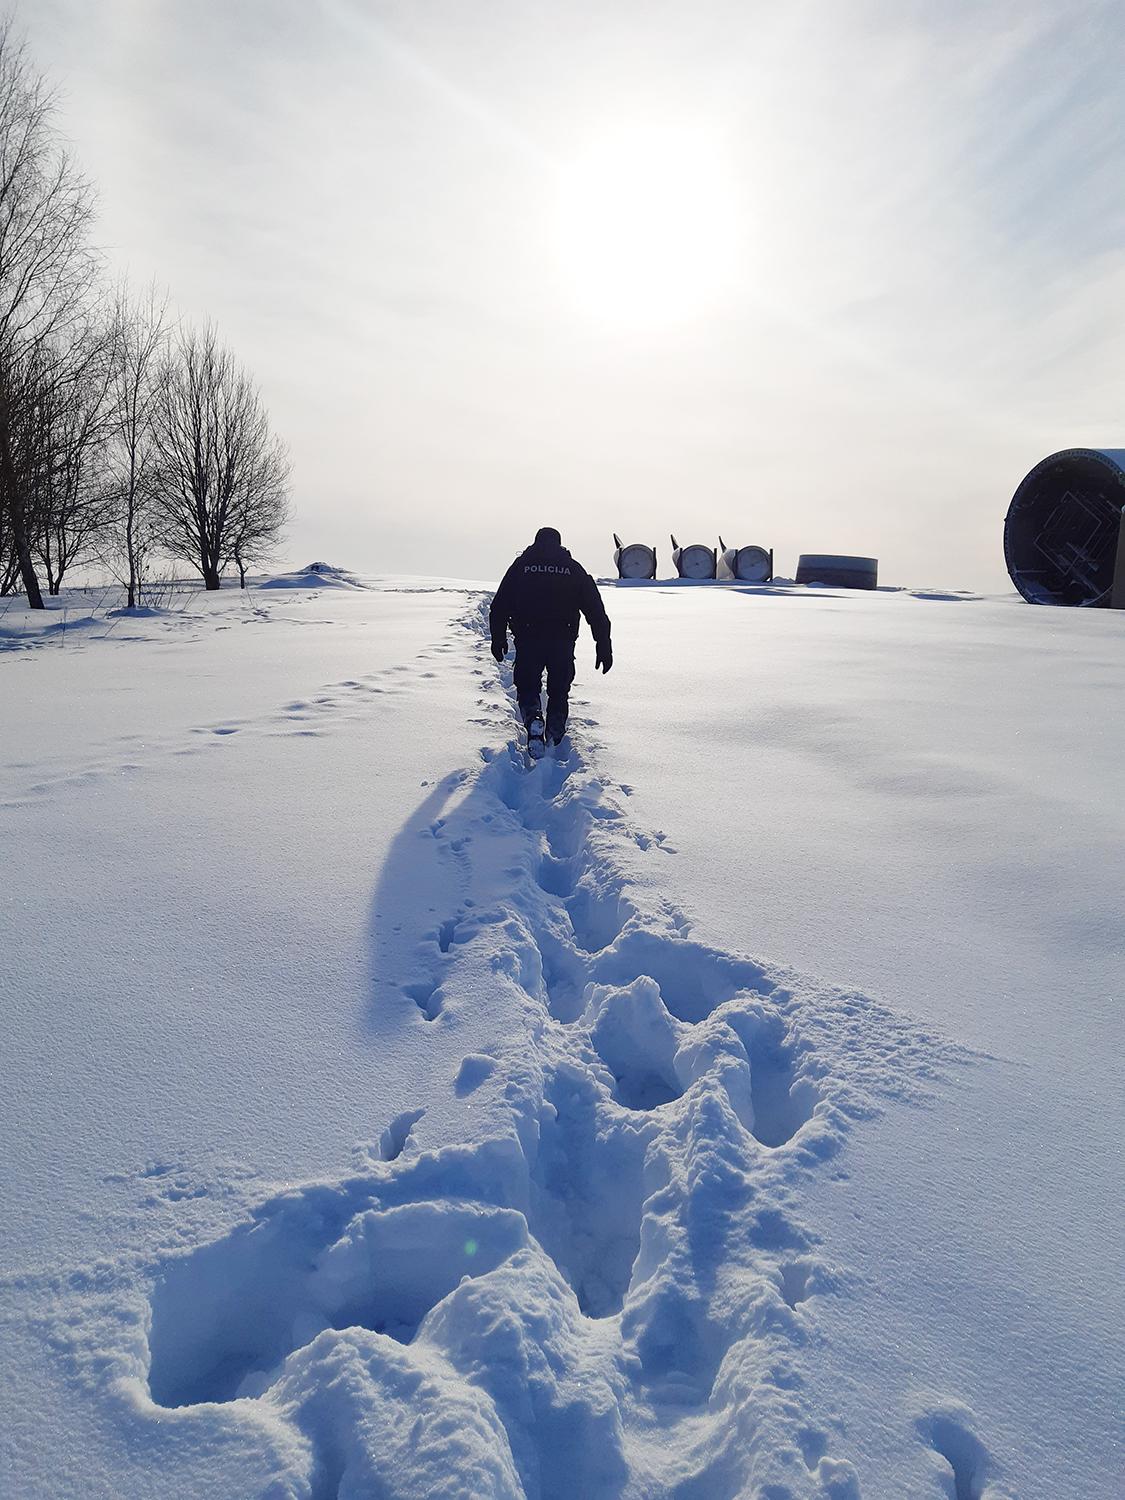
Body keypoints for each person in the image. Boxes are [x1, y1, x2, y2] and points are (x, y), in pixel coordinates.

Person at [489, 526, 612, 749]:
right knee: (559, 687)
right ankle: (555, 724)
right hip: (562, 640)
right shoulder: (572, 568)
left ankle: (533, 717)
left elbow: (500, 605)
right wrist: (603, 644)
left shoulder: (521, 567)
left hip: (528, 637)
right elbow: (595, 609)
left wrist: (498, 637)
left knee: (527, 684)